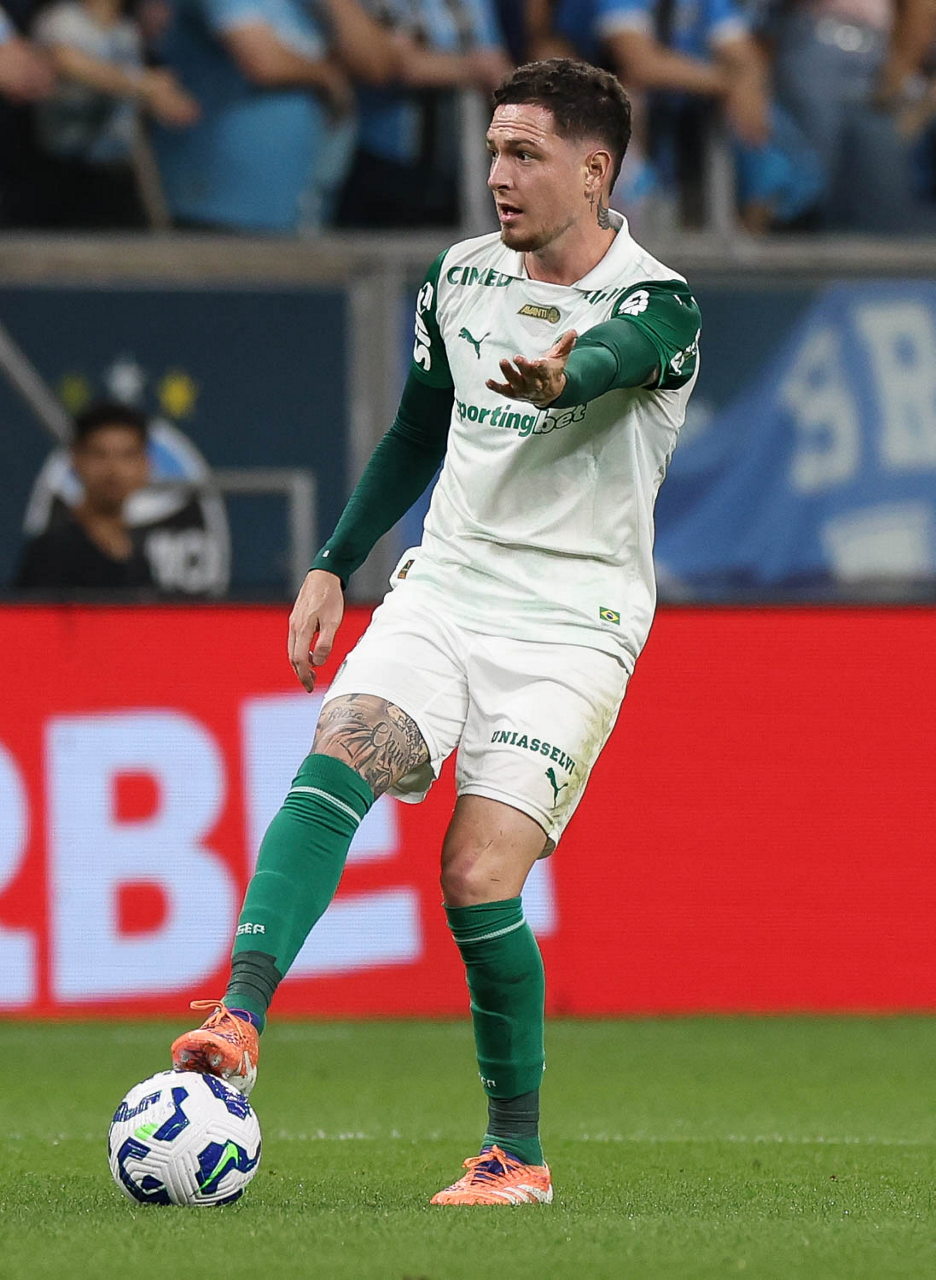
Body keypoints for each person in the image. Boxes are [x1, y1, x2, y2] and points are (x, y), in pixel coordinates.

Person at [170, 58, 701, 1206]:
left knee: (474, 873)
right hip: (447, 587)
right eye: (494, 149)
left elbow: (614, 357)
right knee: (344, 745)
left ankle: (516, 1153)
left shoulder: (659, 304)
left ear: (594, 172)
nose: (497, 174)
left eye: (526, 154)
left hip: (575, 624)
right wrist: (332, 562)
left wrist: (566, 374)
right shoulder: (458, 277)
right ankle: (239, 1014)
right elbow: (417, 432)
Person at [152, 0, 393, 232]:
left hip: (307, 194)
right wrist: (330, 77)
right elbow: (261, 61)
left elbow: (377, 65)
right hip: (220, 200)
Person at [29, 0, 199, 228]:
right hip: (66, 163)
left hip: (116, 163)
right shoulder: (62, 19)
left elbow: (132, 88)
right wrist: (145, 85)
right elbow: (67, 62)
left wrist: (160, 99)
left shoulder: (125, 30)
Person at [14, 401, 155, 593]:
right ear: (76, 461)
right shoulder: (52, 551)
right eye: (100, 454)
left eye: (127, 455)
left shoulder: (142, 555)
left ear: (145, 465)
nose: (114, 470)